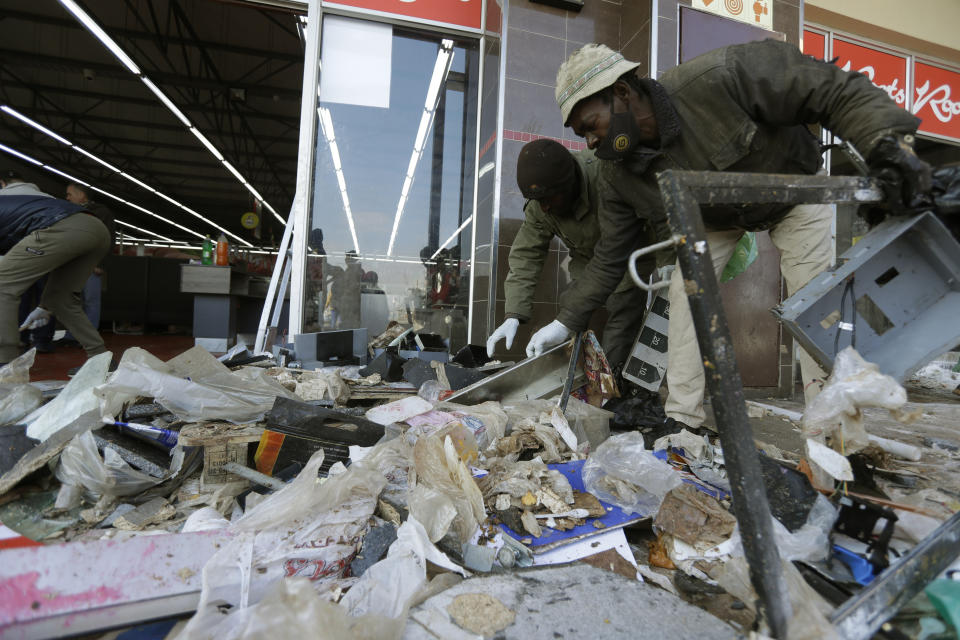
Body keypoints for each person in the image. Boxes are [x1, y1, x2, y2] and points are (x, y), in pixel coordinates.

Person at [525, 40, 932, 432]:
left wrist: (887, 146)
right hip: (715, 216)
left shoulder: (719, 77)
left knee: (815, 303)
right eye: (582, 136)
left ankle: (830, 426)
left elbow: (827, 86)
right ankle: (683, 420)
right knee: (685, 296)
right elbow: (610, 255)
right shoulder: (618, 175)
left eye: (590, 125)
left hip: (793, 188)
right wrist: (565, 322)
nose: (591, 142)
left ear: (621, 91)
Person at [487, 139, 650, 377]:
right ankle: (571, 380)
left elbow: (650, 213)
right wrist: (514, 314)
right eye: (538, 201)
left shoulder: (605, 176)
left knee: (621, 312)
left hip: (628, 254)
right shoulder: (541, 203)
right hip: (587, 260)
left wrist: (667, 260)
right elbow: (526, 255)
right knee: (570, 308)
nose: (544, 208)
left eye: (549, 199)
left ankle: (611, 387)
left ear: (569, 183)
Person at [0, 170, 112, 367]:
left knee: (2, 285)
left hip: (63, 228)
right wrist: (44, 306)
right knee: (61, 299)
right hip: (96, 229)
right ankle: (100, 359)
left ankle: (5, 364)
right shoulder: (33, 198)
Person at [61, 182, 115, 346]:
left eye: (70, 194)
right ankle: (72, 335)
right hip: (73, 263)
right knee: (72, 301)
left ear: (82, 195)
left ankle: (87, 338)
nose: (67, 197)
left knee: (91, 301)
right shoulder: (69, 211)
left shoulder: (101, 212)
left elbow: (108, 240)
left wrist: (101, 263)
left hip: (91, 264)